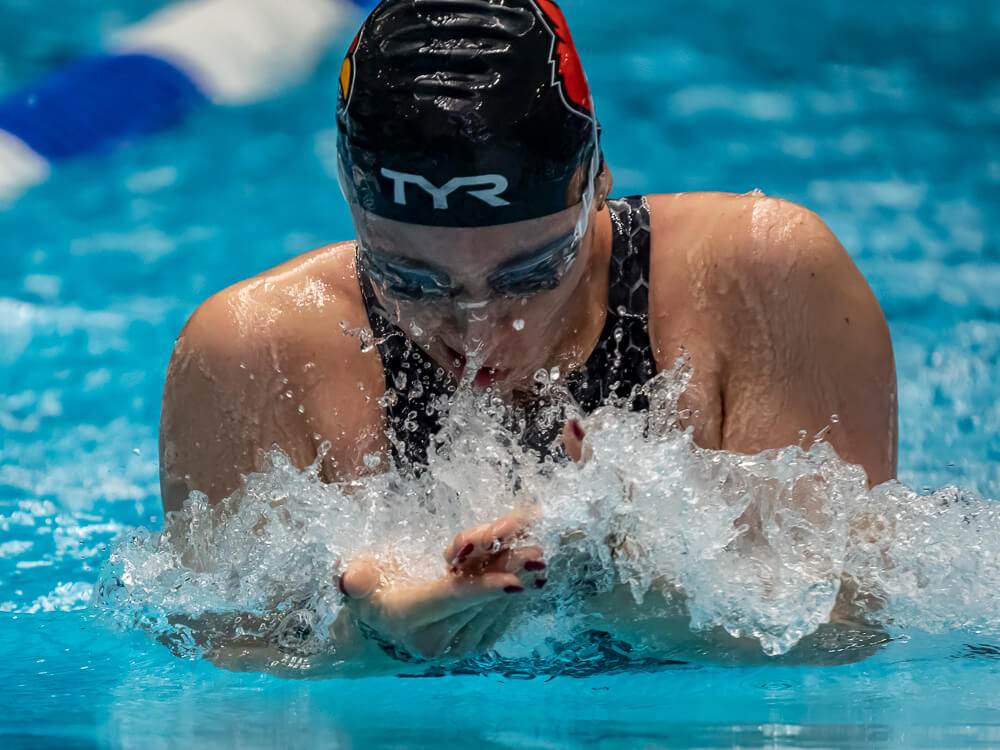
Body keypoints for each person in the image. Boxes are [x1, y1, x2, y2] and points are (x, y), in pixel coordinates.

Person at [159, 0, 897, 666]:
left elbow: (843, 637)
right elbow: (222, 679)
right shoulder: (256, 348)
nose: (478, 333)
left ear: (599, 179)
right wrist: (371, 649)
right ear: (351, 205)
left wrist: (633, 590)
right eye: (412, 280)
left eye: (529, 274)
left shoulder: (760, 280)